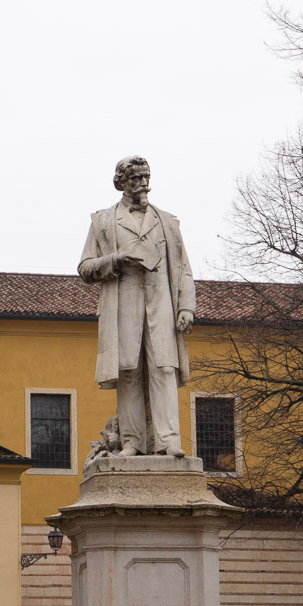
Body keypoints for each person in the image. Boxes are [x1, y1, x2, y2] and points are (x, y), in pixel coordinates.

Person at [77, 156, 196, 456]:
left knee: (164, 369)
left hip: (162, 306)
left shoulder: (167, 222)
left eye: (146, 177)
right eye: (136, 179)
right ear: (121, 183)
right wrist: (116, 259)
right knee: (128, 372)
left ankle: (169, 441)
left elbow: (183, 269)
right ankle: (132, 443)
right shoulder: (103, 221)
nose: (143, 183)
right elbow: (85, 267)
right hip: (123, 306)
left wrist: (187, 308)